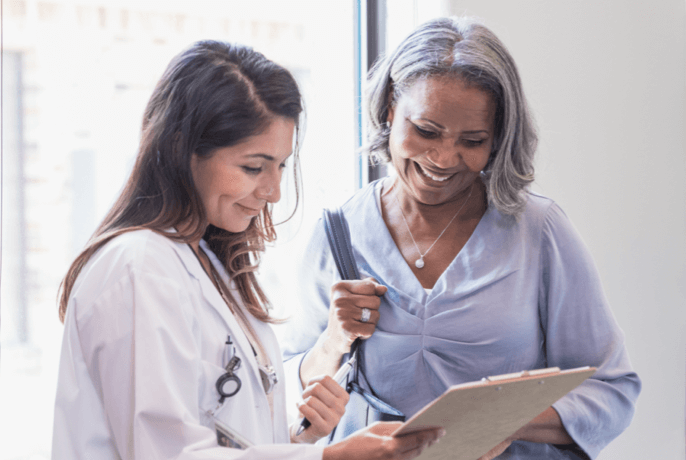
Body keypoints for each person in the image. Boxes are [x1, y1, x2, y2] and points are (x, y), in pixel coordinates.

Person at [51, 41, 444, 460]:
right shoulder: (137, 268)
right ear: (184, 150)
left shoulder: (207, 265)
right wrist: (331, 458)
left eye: (280, 166)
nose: (273, 191)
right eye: (253, 167)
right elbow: (166, 453)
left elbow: (220, 436)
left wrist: (297, 435)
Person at [282, 17, 641, 460]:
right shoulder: (338, 232)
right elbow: (280, 395)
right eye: (426, 131)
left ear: (497, 140)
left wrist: (501, 419)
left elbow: (611, 389)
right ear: (391, 107)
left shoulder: (538, 231)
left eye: (472, 140)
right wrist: (333, 340)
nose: (444, 159)